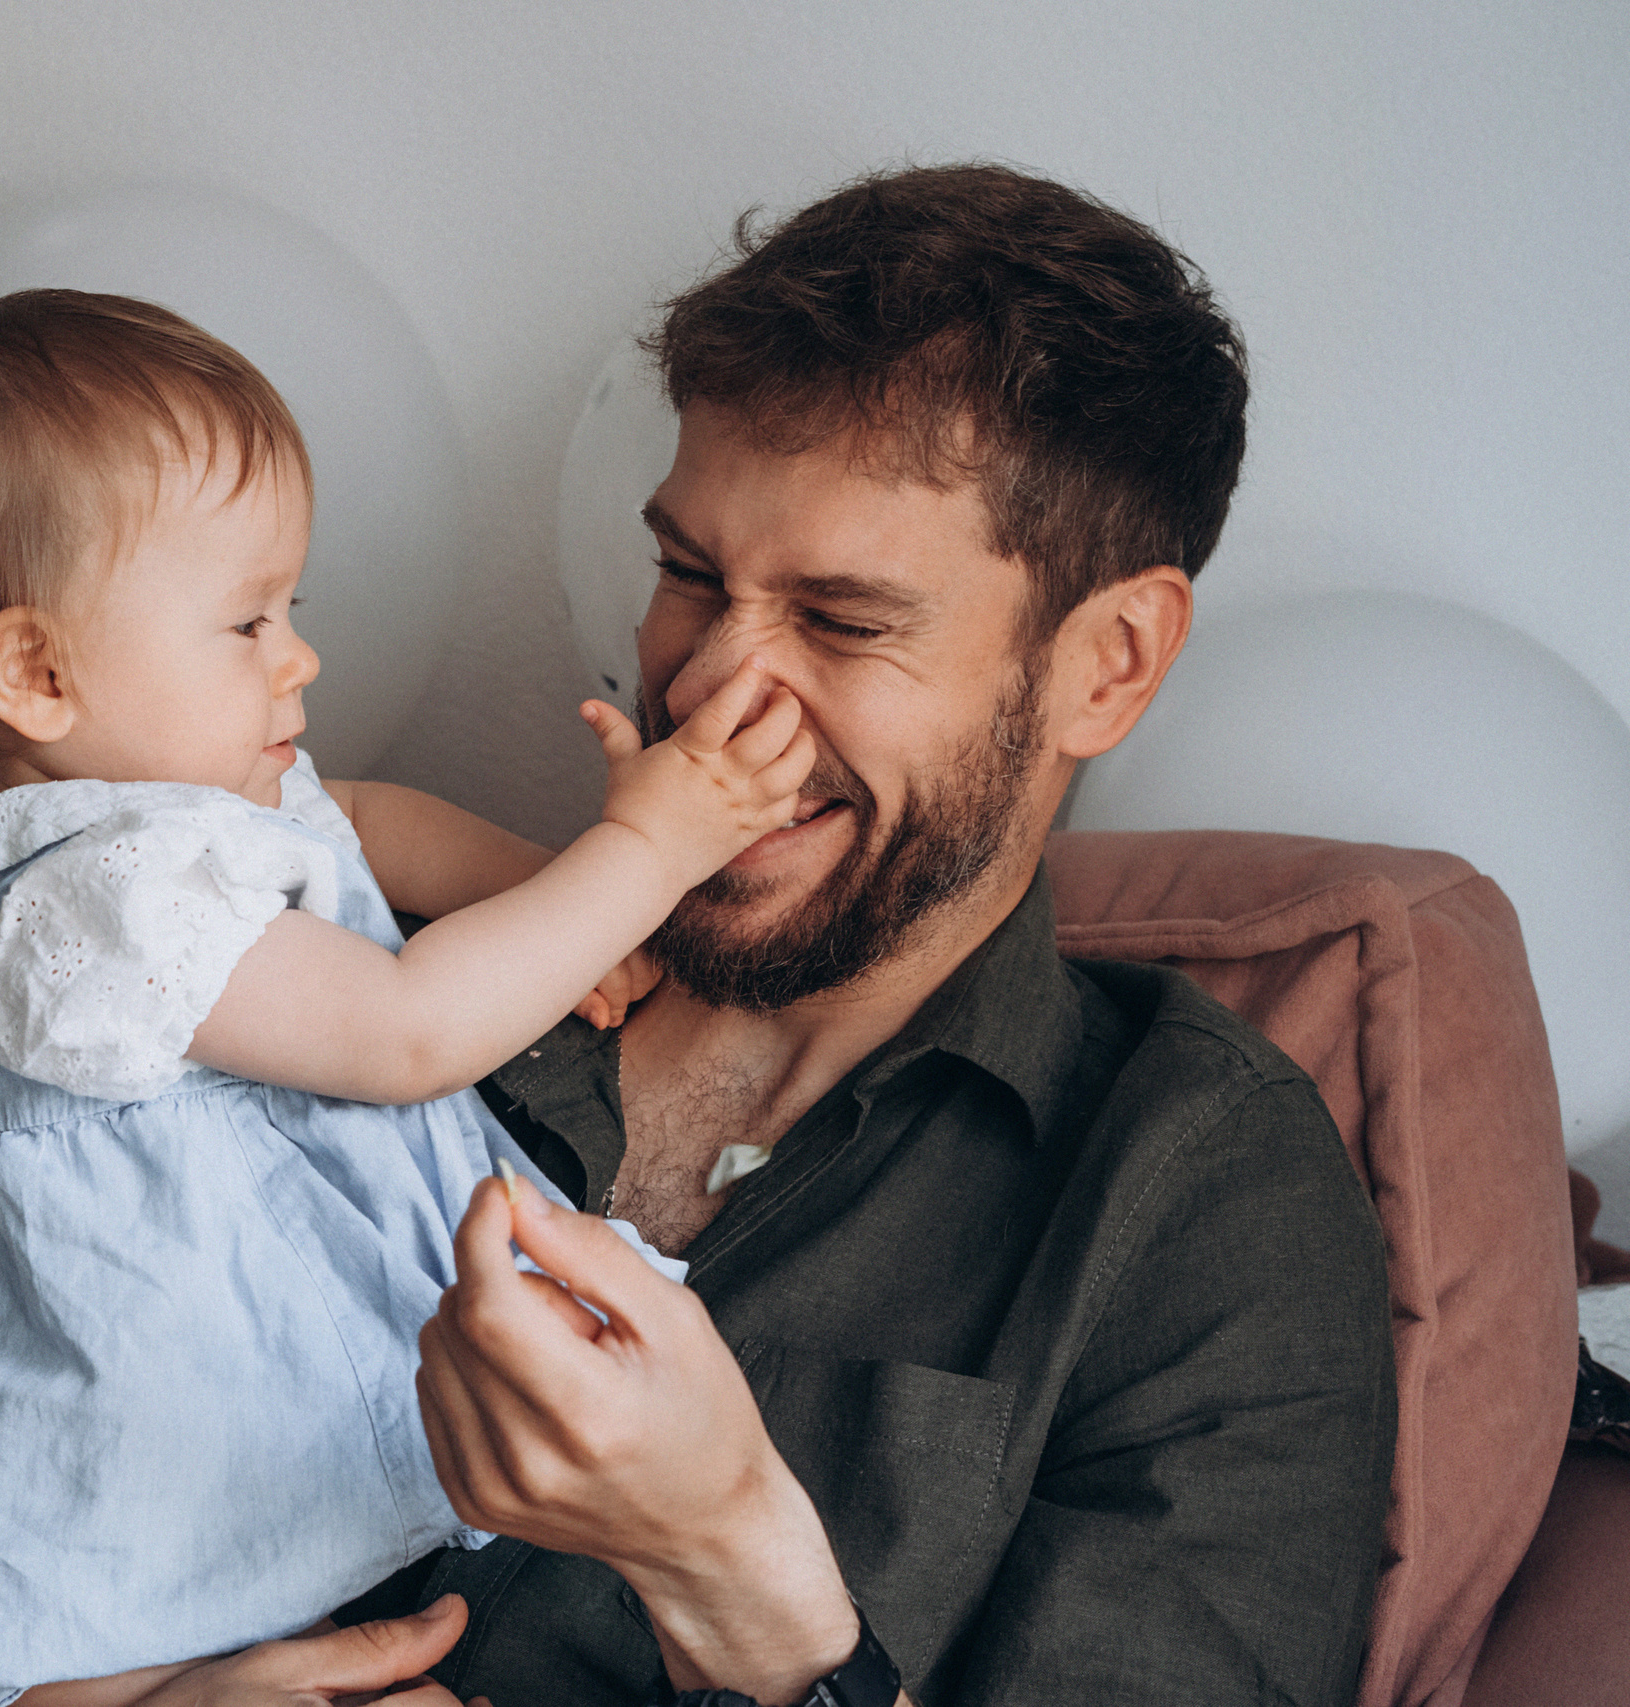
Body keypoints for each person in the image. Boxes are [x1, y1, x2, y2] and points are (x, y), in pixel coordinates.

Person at [98, 166, 1397, 1706]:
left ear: (1103, 667)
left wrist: (727, 1561)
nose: (712, 689)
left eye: (844, 622)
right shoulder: (335, 946)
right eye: (689, 577)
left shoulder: (1194, 1190)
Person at [0, 289, 821, 1706]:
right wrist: (646, 856)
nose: (296, 656)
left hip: (241, 1291)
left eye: (287, 606)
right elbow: (402, 1033)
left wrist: (543, 890)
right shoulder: (89, 901)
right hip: (141, 1343)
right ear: (38, 673)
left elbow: (354, 822)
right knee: (92, 1592)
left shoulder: (194, 800)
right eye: (246, 620)